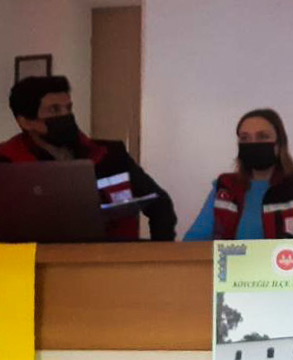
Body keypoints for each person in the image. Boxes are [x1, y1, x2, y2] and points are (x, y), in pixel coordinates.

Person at [0, 76, 177, 240]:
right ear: (26, 122)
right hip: (34, 259)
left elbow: (160, 204)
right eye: (54, 110)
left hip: (109, 257)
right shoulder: (6, 162)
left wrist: (159, 254)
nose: (65, 115)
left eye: (68, 108)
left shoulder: (110, 155)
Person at [184, 108, 293, 240]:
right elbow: (194, 241)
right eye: (245, 138)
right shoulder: (225, 187)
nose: (253, 144)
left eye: (262, 136)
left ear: (279, 144)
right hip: (229, 262)